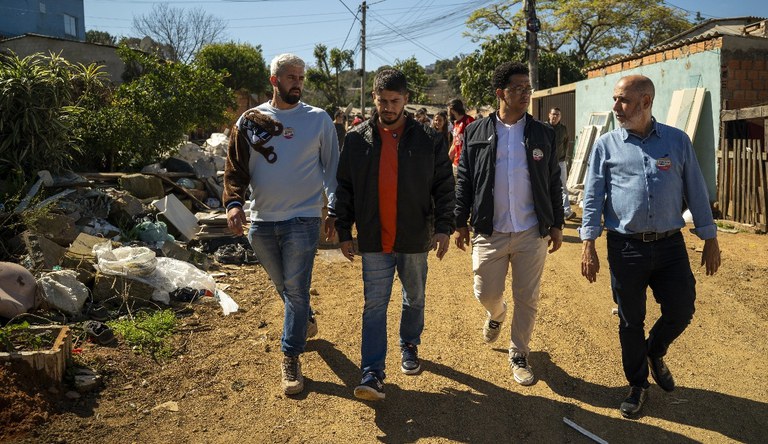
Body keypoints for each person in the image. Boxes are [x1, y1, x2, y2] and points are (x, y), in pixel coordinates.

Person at [580, 75, 721, 418]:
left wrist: (710, 237)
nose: (616, 107)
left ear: (645, 102)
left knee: (682, 308)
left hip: (671, 246)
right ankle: (638, 385)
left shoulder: (676, 141)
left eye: (623, 101)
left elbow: (697, 191)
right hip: (625, 248)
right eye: (615, 99)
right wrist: (588, 243)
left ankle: (655, 351)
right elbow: (593, 197)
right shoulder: (607, 145)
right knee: (631, 320)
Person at [223, 53, 339, 396]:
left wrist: (333, 208)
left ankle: (290, 356)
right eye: (291, 77)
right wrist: (232, 203)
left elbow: (332, 168)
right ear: (274, 80)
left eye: (301, 77)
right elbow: (235, 167)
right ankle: (304, 318)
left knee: (296, 288)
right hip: (261, 221)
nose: (298, 83)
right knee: (287, 288)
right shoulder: (250, 120)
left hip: (303, 219)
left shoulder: (318, 120)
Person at [335, 68, 455, 401]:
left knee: (414, 297)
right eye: (383, 100)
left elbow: (445, 185)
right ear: (374, 98)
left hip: (415, 238)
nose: (388, 107)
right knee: (374, 306)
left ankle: (409, 345)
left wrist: (444, 227)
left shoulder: (428, 138)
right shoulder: (357, 139)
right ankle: (372, 373)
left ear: (406, 100)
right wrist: (344, 230)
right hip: (374, 239)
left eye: (395, 101)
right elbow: (343, 187)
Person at [454, 61, 564, 386]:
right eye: (518, 88)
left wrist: (556, 223)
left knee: (527, 297)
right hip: (491, 230)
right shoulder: (476, 132)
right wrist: (460, 221)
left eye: (528, 89)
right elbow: (465, 179)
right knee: (484, 291)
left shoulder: (543, 133)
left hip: (532, 230)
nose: (526, 94)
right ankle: (496, 313)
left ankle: (519, 352)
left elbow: (553, 180)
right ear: (501, 92)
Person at [546, 107, 575, 220]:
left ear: (560, 117)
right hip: (546, 163)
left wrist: (564, 157)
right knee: (546, 186)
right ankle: (548, 212)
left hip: (560, 162)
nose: (555, 117)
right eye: (553, 114)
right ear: (549, 115)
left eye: (557, 115)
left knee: (563, 187)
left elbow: (566, 142)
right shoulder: (543, 128)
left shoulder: (563, 129)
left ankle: (567, 211)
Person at [448, 98, 474, 177]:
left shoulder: (469, 120)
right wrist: (447, 159)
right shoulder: (455, 123)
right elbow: (455, 143)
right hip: (456, 164)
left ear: (452, 110)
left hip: (467, 164)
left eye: (448, 109)